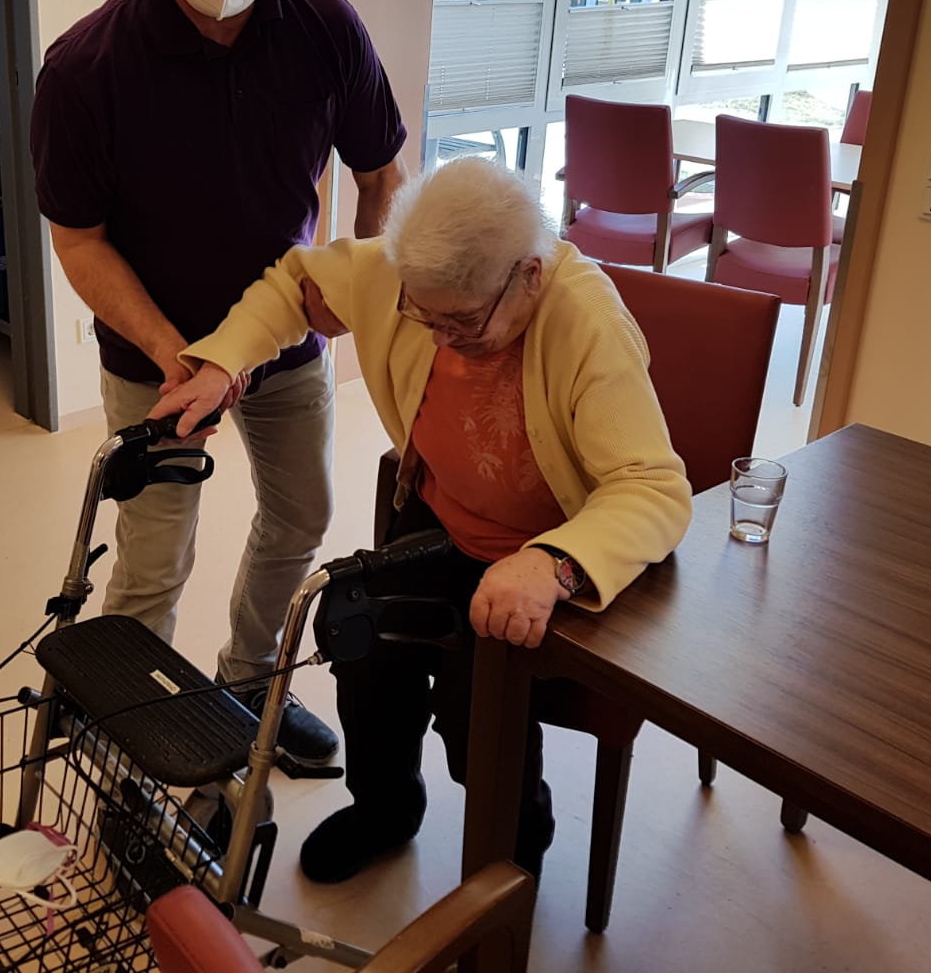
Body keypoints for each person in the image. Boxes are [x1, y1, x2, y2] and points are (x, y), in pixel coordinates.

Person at [151, 158, 692, 884]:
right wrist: (224, 364)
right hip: (435, 520)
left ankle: (514, 853)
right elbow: (294, 282)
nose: (439, 339)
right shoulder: (411, 273)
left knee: (478, 719)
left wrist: (554, 563)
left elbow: (653, 486)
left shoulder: (587, 321)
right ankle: (385, 808)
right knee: (360, 641)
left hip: (537, 562)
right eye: (422, 315)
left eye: (462, 323)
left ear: (529, 274)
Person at [30, 0, 408, 763]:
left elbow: (380, 174)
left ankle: (248, 690)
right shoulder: (86, 66)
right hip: (156, 360)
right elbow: (78, 239)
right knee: (154, 559)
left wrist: (368, 302)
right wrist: (175, 353)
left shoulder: (326, 28)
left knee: (301, 519)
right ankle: (143, 742)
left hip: (288, 342)